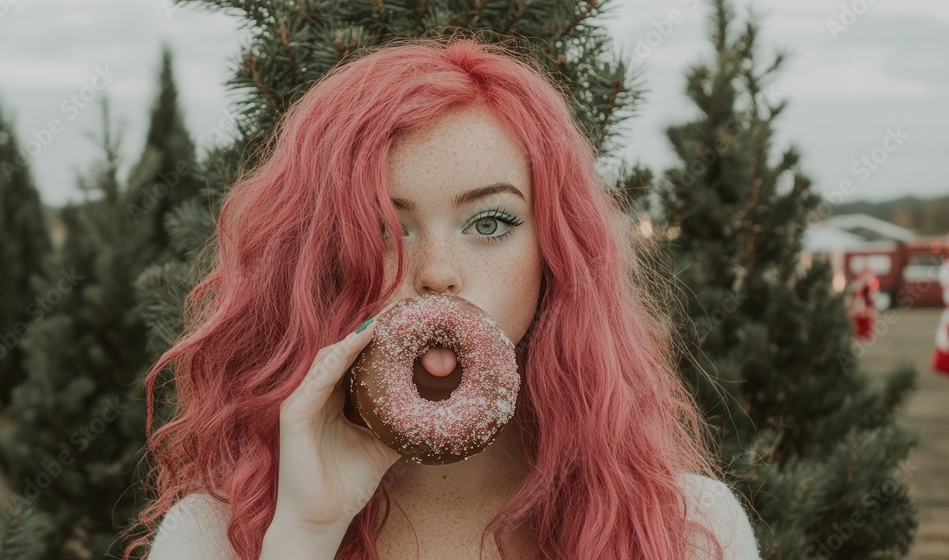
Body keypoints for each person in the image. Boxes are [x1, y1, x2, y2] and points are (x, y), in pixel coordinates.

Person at [121, 34, 761, 560]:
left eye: (490, 223)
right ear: (320, 263)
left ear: (556, 257)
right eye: (383, 229)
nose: (436, 274)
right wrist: (306, 536)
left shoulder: (687, 530)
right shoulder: (215, 539)